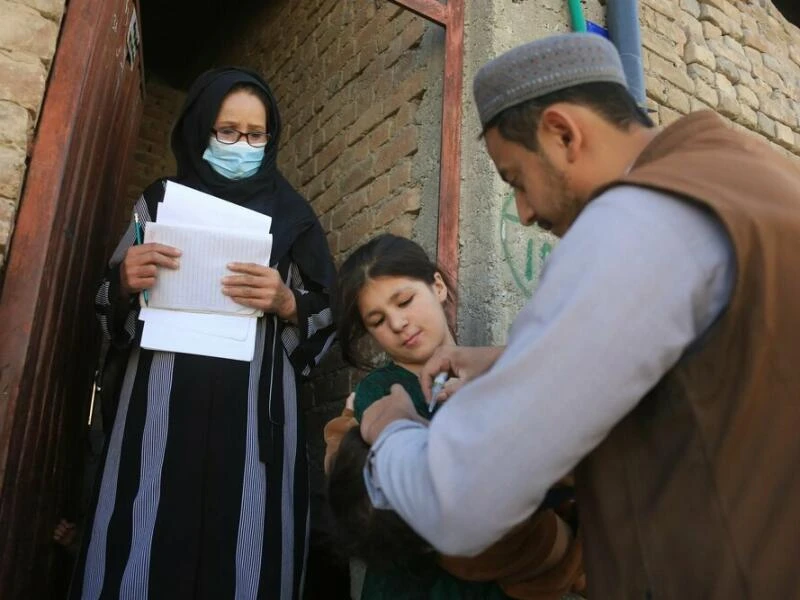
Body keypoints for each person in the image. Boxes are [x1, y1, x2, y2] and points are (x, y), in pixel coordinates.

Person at [358, 33, 800, 599]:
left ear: (564, 134)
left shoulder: (637, 221)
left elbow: (462, 500)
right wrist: (509, 364)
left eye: (516, 179)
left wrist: (390, 428)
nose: (522, 212)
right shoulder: (748, 176)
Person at [70, 67, 336, 599]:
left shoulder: (294, 218)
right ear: (199, 131)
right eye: (227, 131)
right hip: (157, 411)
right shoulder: (160, 201)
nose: (242, 145)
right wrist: (125, 281)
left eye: (255, 134)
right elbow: (108, 305)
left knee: (246, 551)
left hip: (253, 426)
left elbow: (327, 320)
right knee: (139, 536)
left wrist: (287, 304)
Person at [326, 234, 585, 599]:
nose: (399, 323)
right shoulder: (380, 397)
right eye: (378, 320)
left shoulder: (499, 372)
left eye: (405, 300)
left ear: (437, 286)